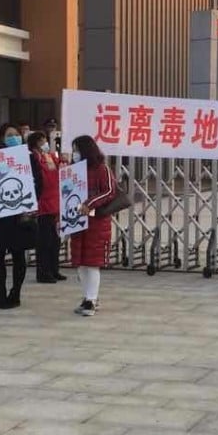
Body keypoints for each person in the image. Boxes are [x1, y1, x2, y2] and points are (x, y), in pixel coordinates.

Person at [0, 122, 40, 309]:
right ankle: (0, 292)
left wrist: (31, 197)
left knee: (18, 255)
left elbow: (40, 183)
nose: (13, 138)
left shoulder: (29, 158)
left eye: (16, 134)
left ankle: (16, 292)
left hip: (20, 215)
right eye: (9, 135)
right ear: (2, 138)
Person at [69, 135, 118, 317]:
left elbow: (110, 191)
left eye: (77, 150)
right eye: (73, 150)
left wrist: (89, 204)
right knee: (80, 263)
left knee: (92, 263)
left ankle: (92, 300)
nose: (74, 154)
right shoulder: (73, 171)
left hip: (96, 223)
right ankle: (87, 297)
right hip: (77, 222)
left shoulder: (102, 169)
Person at [28, 131, 65, 284]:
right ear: (36, 143)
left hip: (54, 203)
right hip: (43, 204)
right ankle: (43, 272)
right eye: (42, 140)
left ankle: (54, 269)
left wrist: (63, 160)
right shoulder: (33, 157)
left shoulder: (48, 156)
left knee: (55, 240)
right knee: (44, 241)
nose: (45, 143)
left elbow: (59, 166)